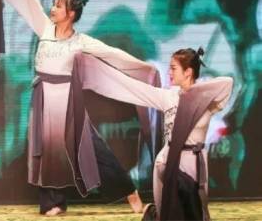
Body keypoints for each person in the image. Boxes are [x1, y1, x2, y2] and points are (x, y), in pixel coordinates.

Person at [0, 0, 159, 216]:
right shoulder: (45, 29)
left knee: (93, 148)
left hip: (67, 102)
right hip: (43, 99)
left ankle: (131, 193)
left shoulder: (81, 42)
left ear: (70, 14)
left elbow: (113, 54)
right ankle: (53, 202)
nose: (52, 9)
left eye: (58, 6)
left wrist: (143, 67)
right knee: (46, 151)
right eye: (54, 5)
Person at [79, 47, 233, 220]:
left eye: (173, 68)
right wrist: (93, 71)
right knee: (165, 213)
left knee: (198, 213)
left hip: (193, 160)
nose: (169, 72)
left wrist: (193, 93)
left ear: (188, 72)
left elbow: (227, 83)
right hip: (167, 160)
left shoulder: (206, 99)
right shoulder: (168, 96)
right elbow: (130, 88)